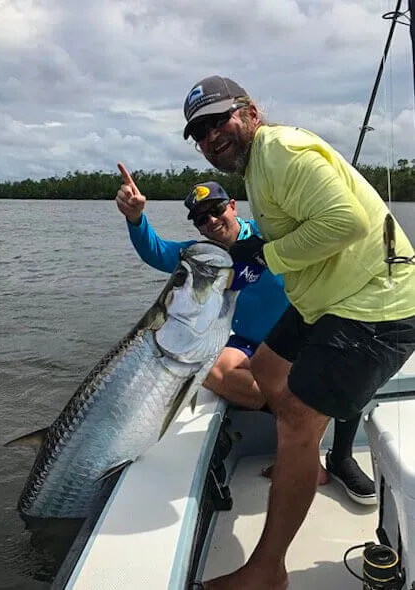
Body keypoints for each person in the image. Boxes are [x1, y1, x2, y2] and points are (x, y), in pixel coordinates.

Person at [181, 75, 415, 590]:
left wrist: (267, 254)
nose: (211, 136)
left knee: (296, 417)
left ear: (250, 111)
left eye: (219, 120)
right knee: (264, 366)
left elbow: (347, 223)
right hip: (328, 298)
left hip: (377, 304)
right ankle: (306, 462)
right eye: (199, 132)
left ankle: (268, 569)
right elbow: (301, 222)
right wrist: (258, 243)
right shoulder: (257, 168)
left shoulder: (281, 151)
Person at [115, 164, 377, 501]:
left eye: (216, 210)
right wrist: (136, 218)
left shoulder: (271, 235)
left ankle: (338, 457)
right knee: (207, 368)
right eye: (201, 218)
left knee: (342, 361)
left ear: (233, 205)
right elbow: (156, 250)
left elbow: (323, 240)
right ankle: (297, 421)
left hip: (296, 336)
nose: (211, 221)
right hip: (246, 343)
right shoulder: (203, 258)